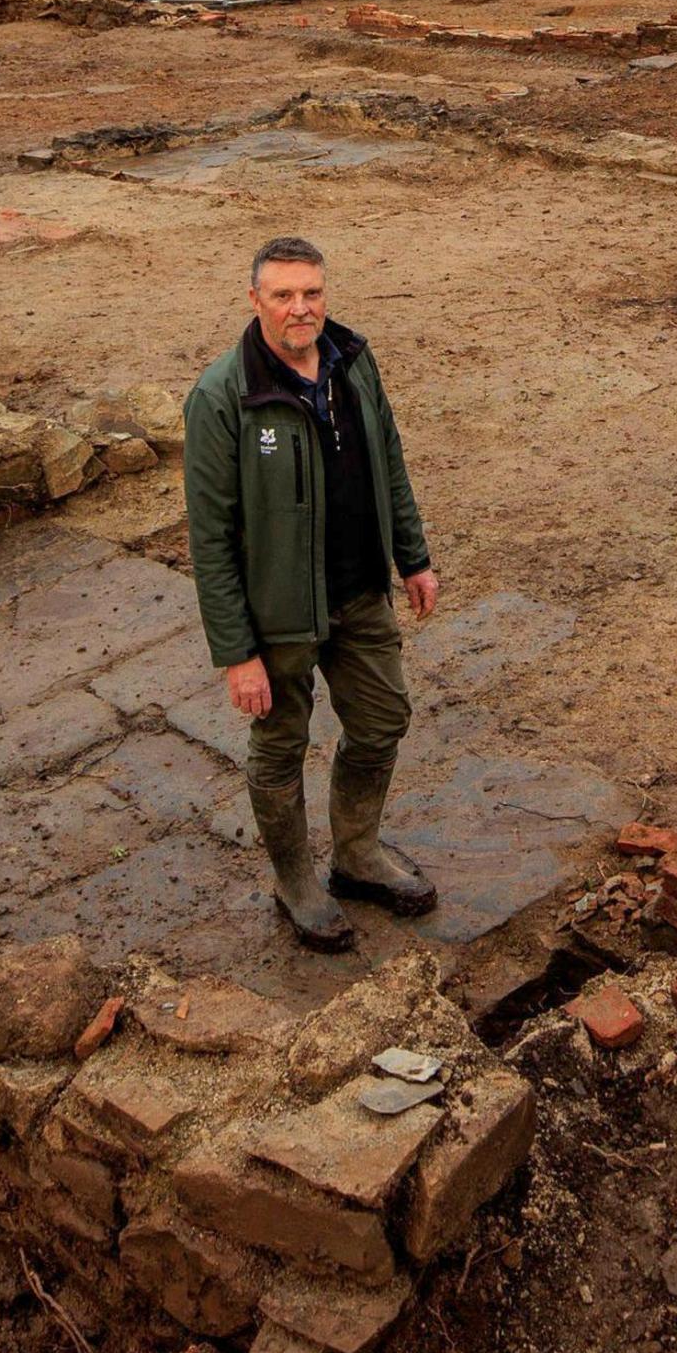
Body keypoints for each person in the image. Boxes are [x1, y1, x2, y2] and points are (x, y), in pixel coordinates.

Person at [181, 236, 441, 950]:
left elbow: (389, 456)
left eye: (313, 292)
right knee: (280, 747)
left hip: (360, 593)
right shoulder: (221, 397)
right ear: (256, 300)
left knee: (384, 718)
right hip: (281, 617)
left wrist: (412, 558)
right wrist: (237, 652)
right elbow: (210, 537)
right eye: (284, 295)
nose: (301, 308)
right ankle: (295, 879)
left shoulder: (352, 361)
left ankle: (357, 855)